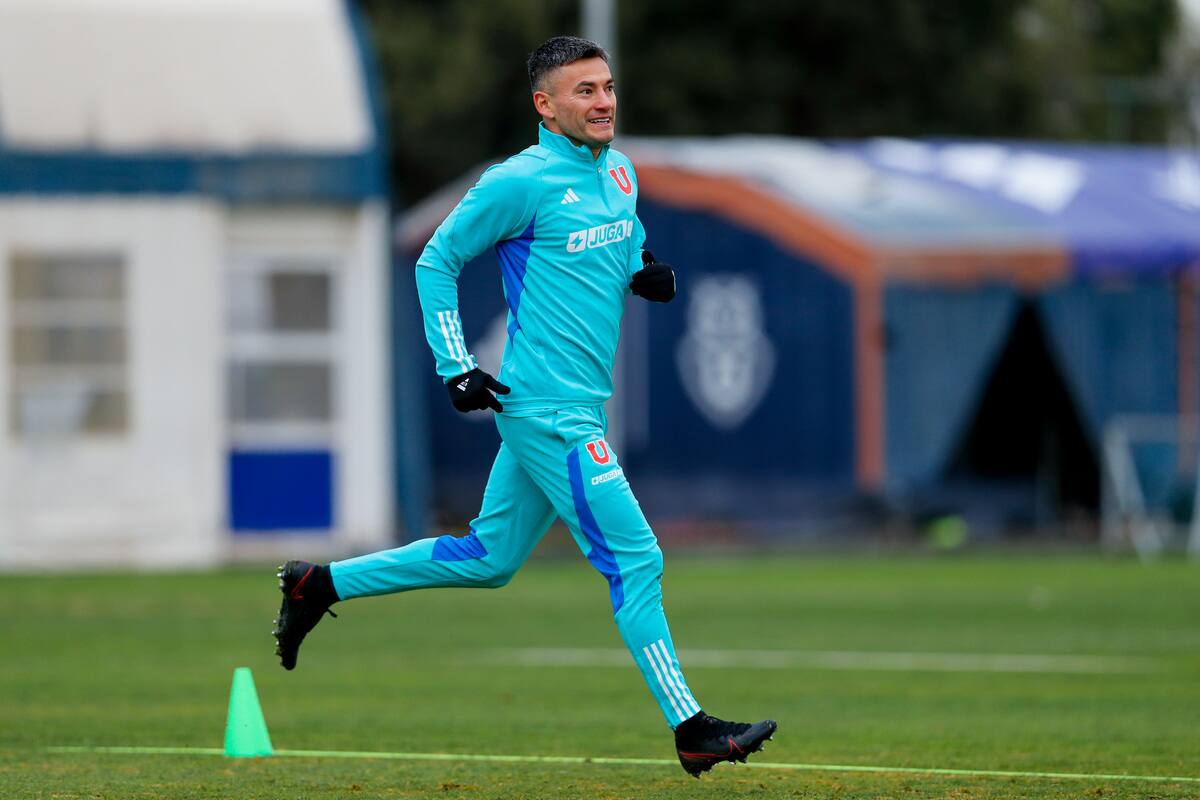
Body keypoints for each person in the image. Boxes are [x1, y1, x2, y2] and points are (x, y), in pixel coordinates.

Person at [272, 35, 776, 778]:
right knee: (637, 557)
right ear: (546, 105)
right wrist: (457, 366)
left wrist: (645, 269)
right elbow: (434, 260)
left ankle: (321, 584)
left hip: (575, 406)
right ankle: (692, 729)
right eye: (585, 92)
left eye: (606, 88)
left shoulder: (621, 171)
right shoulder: (520, 182)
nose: (603, 101)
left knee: (489, 559)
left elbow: (625, 236)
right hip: (547, 410)